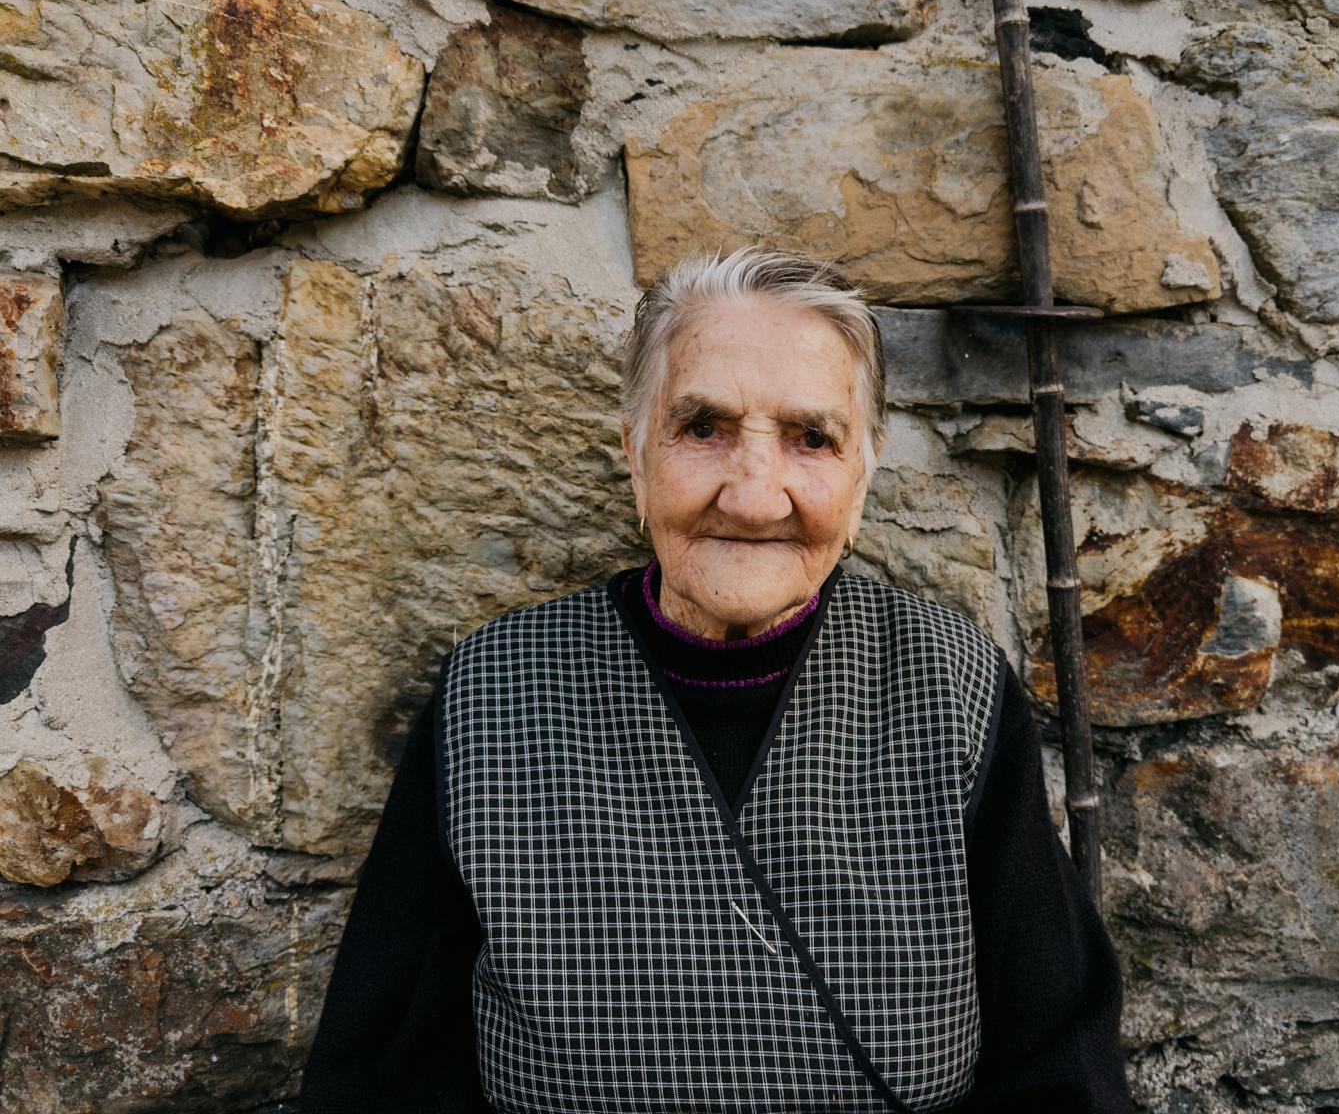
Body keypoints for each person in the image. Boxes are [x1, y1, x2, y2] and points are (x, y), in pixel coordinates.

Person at [298, 247, 1135, 1113]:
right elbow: (380, 1083)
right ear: (636, 453)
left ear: (863, 475)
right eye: (705, 428)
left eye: (813, 438)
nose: (754, 495)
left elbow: (1061, 1070)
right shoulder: (496, 694)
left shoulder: (945, 687)